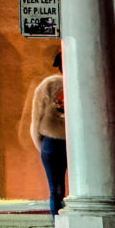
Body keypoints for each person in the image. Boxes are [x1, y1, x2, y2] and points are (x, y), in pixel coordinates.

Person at [30, 50, 66, 217]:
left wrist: (40, 143)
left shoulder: (49, 84)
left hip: (51, 141)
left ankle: (58, 221)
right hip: (77, 142)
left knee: (55, 186)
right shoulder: (85, 83)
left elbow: (37, 117)